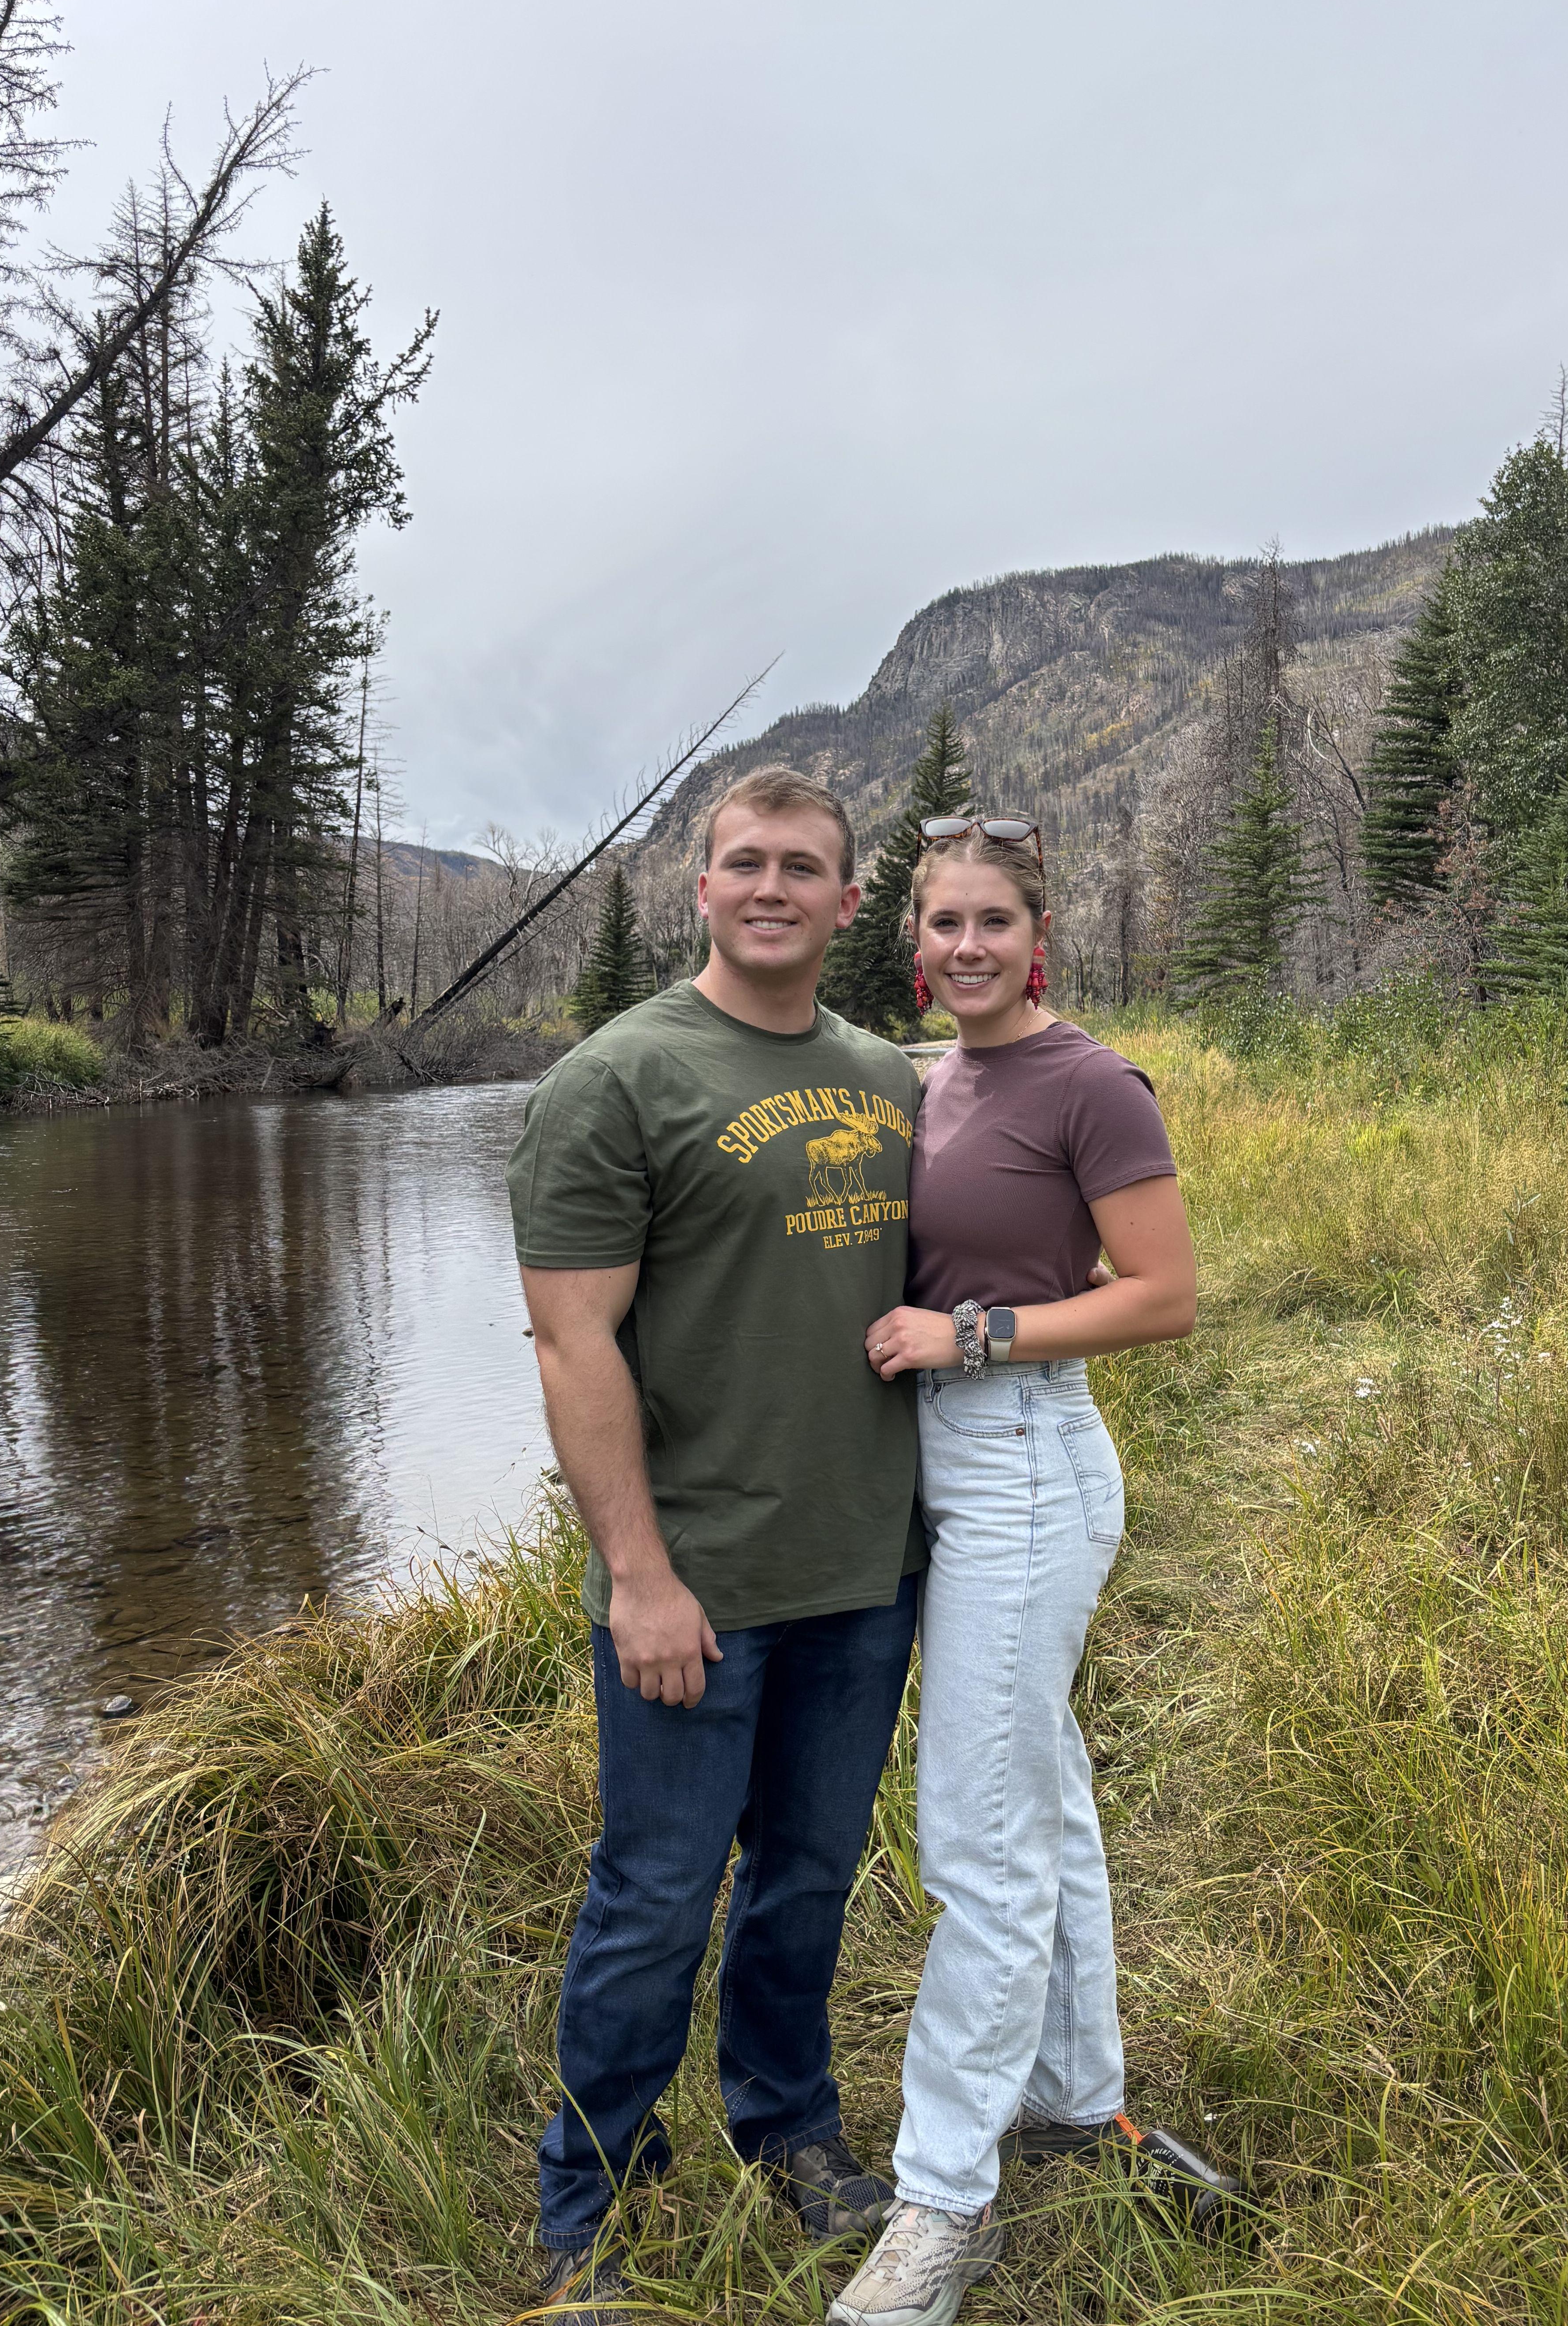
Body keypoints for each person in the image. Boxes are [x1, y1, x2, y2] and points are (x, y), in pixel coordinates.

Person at [507, 767, 927, 2322]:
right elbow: (573, 1345)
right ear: (701, 889)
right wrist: (638, 1576)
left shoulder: (886, 1075)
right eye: (743, 863)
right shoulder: (617, 1082)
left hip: (863, 1573)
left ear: (842, 898)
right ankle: (584, 2214)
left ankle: (789, 2127)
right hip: (697, 1588)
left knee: (810, 1878)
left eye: (801, 867)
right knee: (655, 1895)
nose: (771, 887)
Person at [831, 820, 1225, 2326]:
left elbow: (1167, 1297)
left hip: (1027, 1462)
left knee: (977, 1835)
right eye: (943, 922)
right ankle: (1075, 2093)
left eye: (994, 920)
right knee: (1037, 1787)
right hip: (946, 1463)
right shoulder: (931, 1081)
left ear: (1037, 931)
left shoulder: (1091, 1082)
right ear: (913, 940)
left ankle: (945, 2203)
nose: (967, 945)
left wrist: (974, 1337)